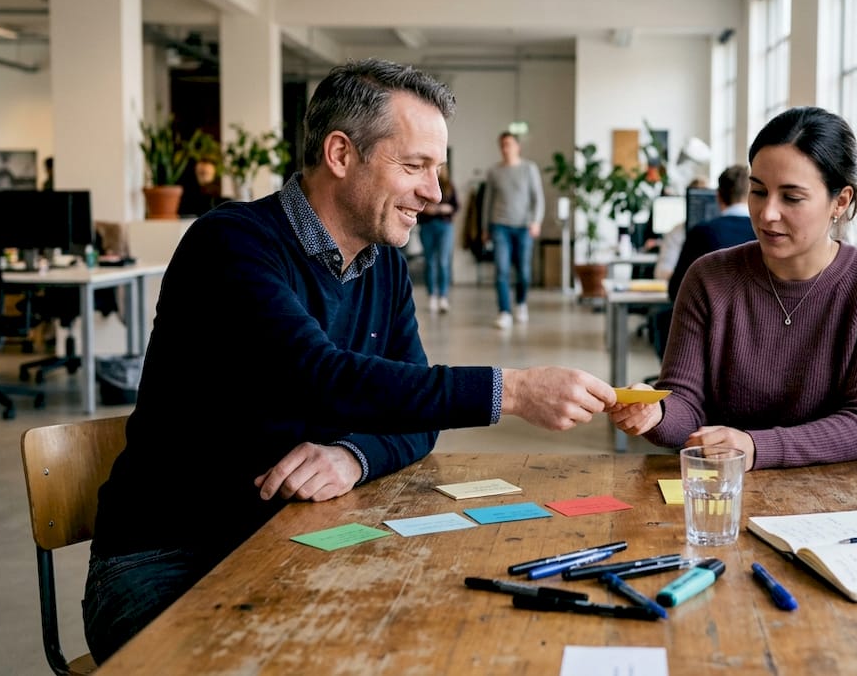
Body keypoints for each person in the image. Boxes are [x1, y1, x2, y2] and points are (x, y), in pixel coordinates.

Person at [83, 59, 616, 663]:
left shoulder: (382, 264)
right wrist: (512, 390)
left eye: (436, 170)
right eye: (414, 166)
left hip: (285, 539)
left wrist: (352, 455)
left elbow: (416, 416)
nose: (435, 193)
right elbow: (321, 377)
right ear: (340, 154)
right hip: (166, 559)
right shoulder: (230, 244)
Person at [610, 107, 857, 470]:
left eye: (791, 197)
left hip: (835, 495)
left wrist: (755, 446)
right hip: (726, 489)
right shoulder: (709, 277)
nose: (767, 213)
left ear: (840, 201)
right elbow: (686, 405)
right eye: (758, 191)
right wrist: (656, 411)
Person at [482, 131, 544, 328]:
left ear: (518, 146)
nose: (505, 148)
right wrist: (485, 228)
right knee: (501, 269)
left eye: (509, 144)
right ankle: (504, 311)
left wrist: (536, 221)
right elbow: (487, 201)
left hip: (524, 226)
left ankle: (521, 303)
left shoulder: (529, 169)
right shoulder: (494, 171)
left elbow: (538, 198)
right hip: (500, 226)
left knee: (524, 271)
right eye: (502, 145)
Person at [666, 164, 756, 301]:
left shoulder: (701, 232)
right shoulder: (763, 233)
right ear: (751, 195)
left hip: (710, 319)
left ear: (718, 196)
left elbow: (676, 289)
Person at [418, 165, 458, 312]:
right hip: (427, 225)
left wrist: (443, 209)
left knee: (443, 261)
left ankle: (443, 297)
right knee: (429, 262)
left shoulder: (449, 186)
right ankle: (432, 296)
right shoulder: (422, 183)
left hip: (444, 226)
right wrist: (425, 210)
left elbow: (456, 206)